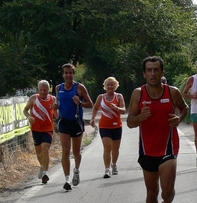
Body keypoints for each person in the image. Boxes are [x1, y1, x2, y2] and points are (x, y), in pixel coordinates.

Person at [127, 56, 189, 203]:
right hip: (147, 150)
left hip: (168, 148)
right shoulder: (139, 94)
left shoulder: (173, 92)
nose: (153, 74)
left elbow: (184, 108)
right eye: (149, 70)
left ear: (162, 72)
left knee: (168, 190)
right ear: (144, 73)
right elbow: (129, 122)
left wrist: (178, 118)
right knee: (151, 192)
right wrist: (140, 117)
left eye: (156, 70)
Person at [56, 63, 94, 191]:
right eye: (66, 73)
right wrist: (55, 107)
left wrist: (80, 103)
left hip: (76, 122)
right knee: (65, 149)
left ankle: (76, 170)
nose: (68, 75)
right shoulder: (58, 88)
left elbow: (90, 104)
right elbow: (58, 103)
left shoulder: (79, 88)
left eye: (70, 73)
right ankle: (67, 179)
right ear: (63, 75)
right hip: (64, 122)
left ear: (73, 74)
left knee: (76, 152)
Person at [23, 80, 58, 184]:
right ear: (38, 90)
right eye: (41, 90)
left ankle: (45, 173)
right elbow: (25, 110)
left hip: (48, 129)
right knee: (39, 152)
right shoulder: (34, 98)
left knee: (45, 149)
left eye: (45, 90)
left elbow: (56, 114)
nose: (43, 92)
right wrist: (29, 116)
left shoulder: (53, 99)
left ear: (48, 90)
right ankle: (42, 167)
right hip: (35, 129)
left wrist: (56, 112)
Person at [90, 77, 126, 178]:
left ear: (116, 86)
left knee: (115, 148)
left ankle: (114, 164)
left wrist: (116, 108)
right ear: (105, 86)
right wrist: (92, 118)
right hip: (104, 126)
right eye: (108, 85)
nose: (110, 86)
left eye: (112, 84)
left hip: (117, 126)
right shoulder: (101, 97)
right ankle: (106, 169)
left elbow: (123, 110)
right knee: (107, 147)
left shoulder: (119, 97)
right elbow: (95, 107)